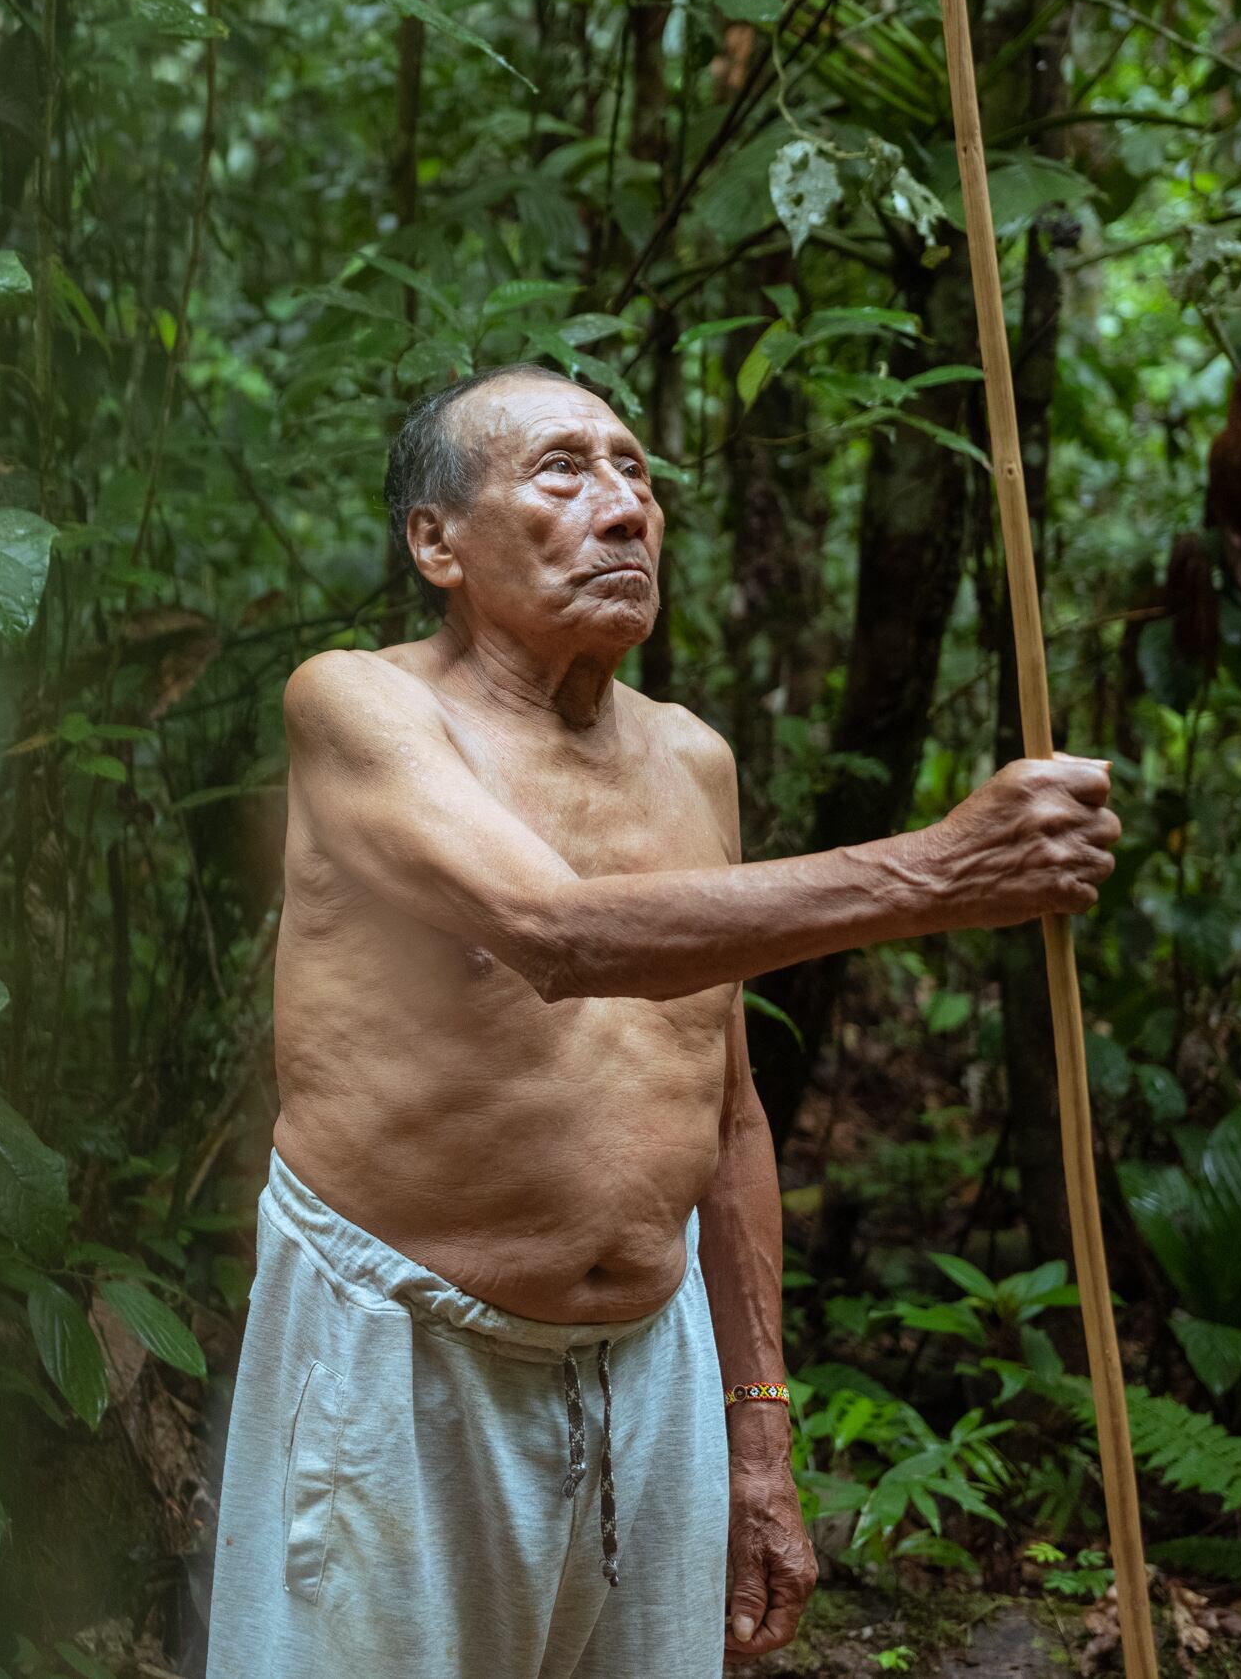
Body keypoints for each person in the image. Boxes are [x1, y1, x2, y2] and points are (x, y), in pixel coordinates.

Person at [202, 363, 1120, 1679]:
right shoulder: (360, 704)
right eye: (564, 469)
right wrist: (933, 869)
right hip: (402, 1353)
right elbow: (558, 935)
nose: (625, 506)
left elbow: (726, 1108)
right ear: (435, 541)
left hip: (651, 1366)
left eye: (636, 471)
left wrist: (759, 1438)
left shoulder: (693, 755)